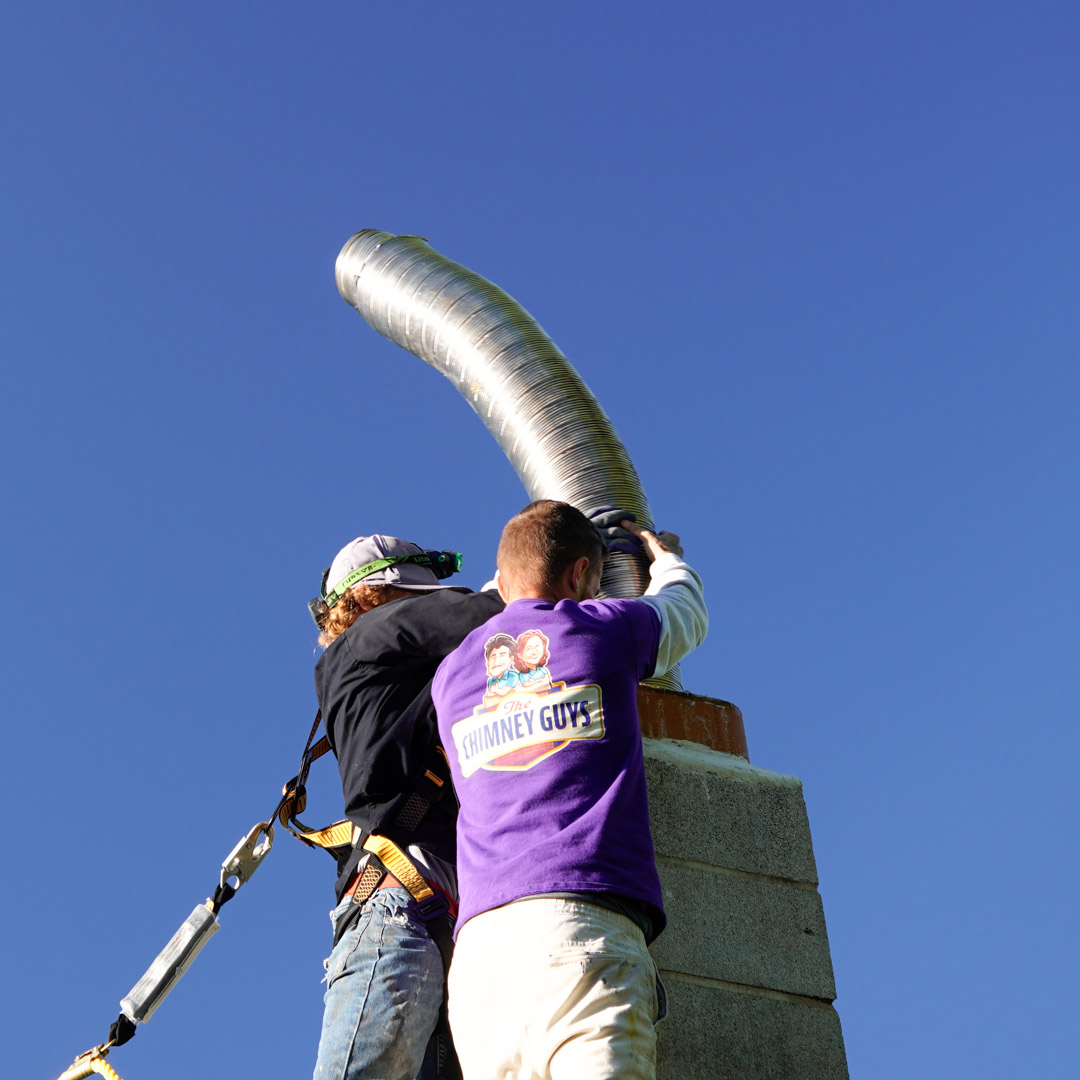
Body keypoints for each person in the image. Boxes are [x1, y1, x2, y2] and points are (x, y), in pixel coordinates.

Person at [431, 500, 708, 1080]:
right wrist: (668, 562)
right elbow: (684, 614)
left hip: (481, 962)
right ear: (583, 574)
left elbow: (515, 593)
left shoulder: (451, 674)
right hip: (578, 923)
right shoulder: (602, 629)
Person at [308, 534, 503, 1080]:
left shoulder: (388, 668)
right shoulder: (375, 634)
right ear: (383, 592)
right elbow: (500, 610)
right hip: (400, 913)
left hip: (434, 920)